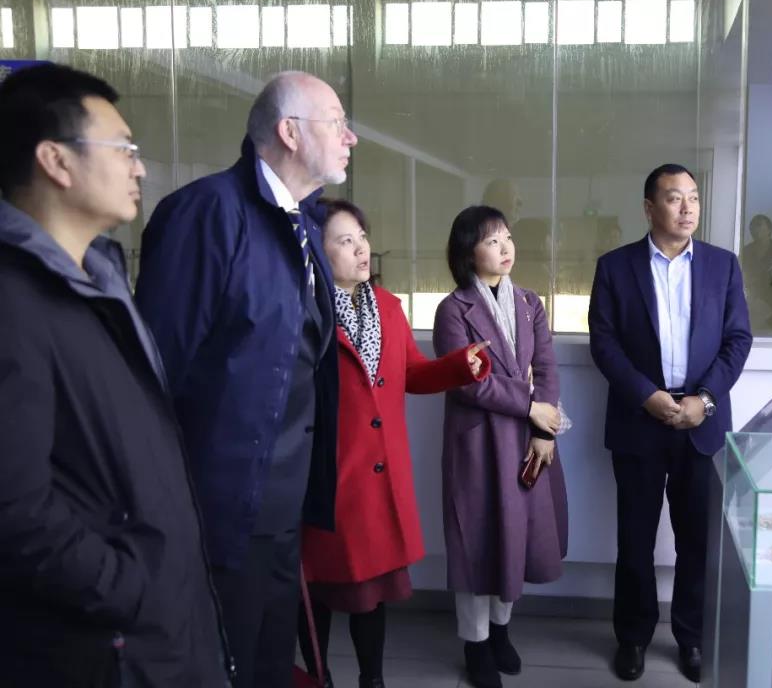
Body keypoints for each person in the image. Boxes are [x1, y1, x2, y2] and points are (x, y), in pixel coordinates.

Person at [0, 63, 230, 686]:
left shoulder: (101, 282)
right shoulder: (15, 300)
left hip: (162, 627)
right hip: (105, 644)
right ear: (56, 160)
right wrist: (131, 587)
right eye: (124, 148)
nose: (140, 168)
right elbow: (14, 511)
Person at [135, 71, 357, 688]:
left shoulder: (302, 222)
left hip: (282, 505)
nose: (351, 138)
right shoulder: (207, 214)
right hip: (220, 505)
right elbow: (156, 368)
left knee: (268, 663)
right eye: (337, 123)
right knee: (218, 663)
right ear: (290, 132)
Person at [297, 198, 492, 688]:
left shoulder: (387, 306)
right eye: (346, 241)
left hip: (379, 479)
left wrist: (459, 365)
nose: (361, 248)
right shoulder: (303, 310)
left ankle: (373, 680)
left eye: (362, 236)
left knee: (371, 594)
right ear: (317, 250)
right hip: (327, 479)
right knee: (315, 591)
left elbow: (411, 375)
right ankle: (319, 678)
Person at [588, 164, 752, 683]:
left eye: (694, 198)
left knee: (697, 540)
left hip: (701, 422)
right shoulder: (615, 267)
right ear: (649, 207)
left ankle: (692, 637)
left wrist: (705, 398)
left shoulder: (723, 266)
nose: (688, 208)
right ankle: (633, 638)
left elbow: (738, 340)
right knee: (635, 539)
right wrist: (647, 396)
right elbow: (604, 342)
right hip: (640, 419)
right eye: (675, 198)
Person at [432, 205, 569, 688]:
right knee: (478, 541)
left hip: (527, 439)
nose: (505, 247)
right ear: (467, 251)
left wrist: (544, 430)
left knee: (517, 537)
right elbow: (468, 381)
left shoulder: (530, 303)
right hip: (478, 443)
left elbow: (547, 368)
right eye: (491, 240)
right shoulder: (452, 310)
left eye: (507, 237)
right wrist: (530, 404)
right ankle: (475, 644)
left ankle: (501, 631)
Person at [739, 213, 772, 330]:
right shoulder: (745, 251)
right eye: (752, 226)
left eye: (759, 225)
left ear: (769, 229)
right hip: (751, 300)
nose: (755, 229)